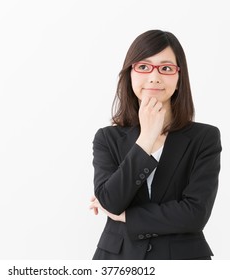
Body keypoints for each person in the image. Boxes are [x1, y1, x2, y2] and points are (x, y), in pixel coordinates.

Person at [89, 30, 222, 260]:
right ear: (130, 74)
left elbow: (195, 214)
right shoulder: (107, 139)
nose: (154, 77)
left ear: (179, 78)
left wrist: (127, 216)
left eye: (166, 68)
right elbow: (111, 201)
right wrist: (146, 139)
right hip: (118, 259)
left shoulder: (204, 138)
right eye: (143, 66)